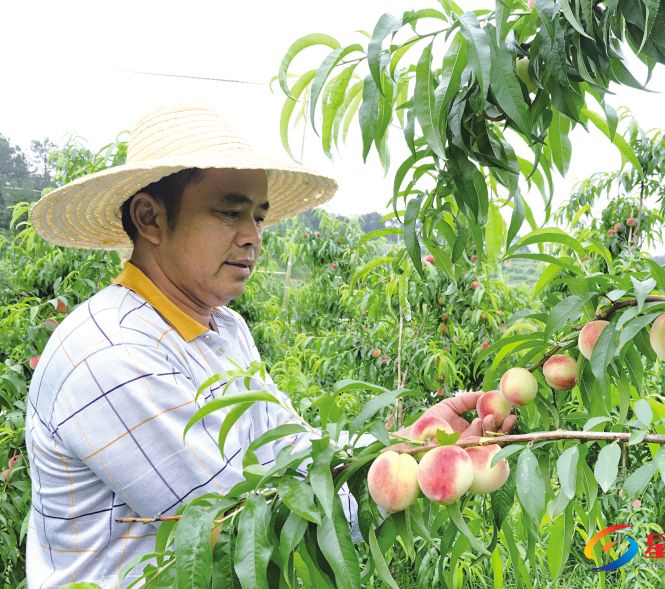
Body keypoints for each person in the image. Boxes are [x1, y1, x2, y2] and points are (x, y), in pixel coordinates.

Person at [24, 105, 516, 588]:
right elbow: (239, 521)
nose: (252, 238)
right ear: (150, 219)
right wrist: (393, 481)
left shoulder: (225, 328)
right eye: (229, 212)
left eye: (258, 217)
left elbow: (290, 447)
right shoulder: (113, 354)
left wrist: (408, 446)